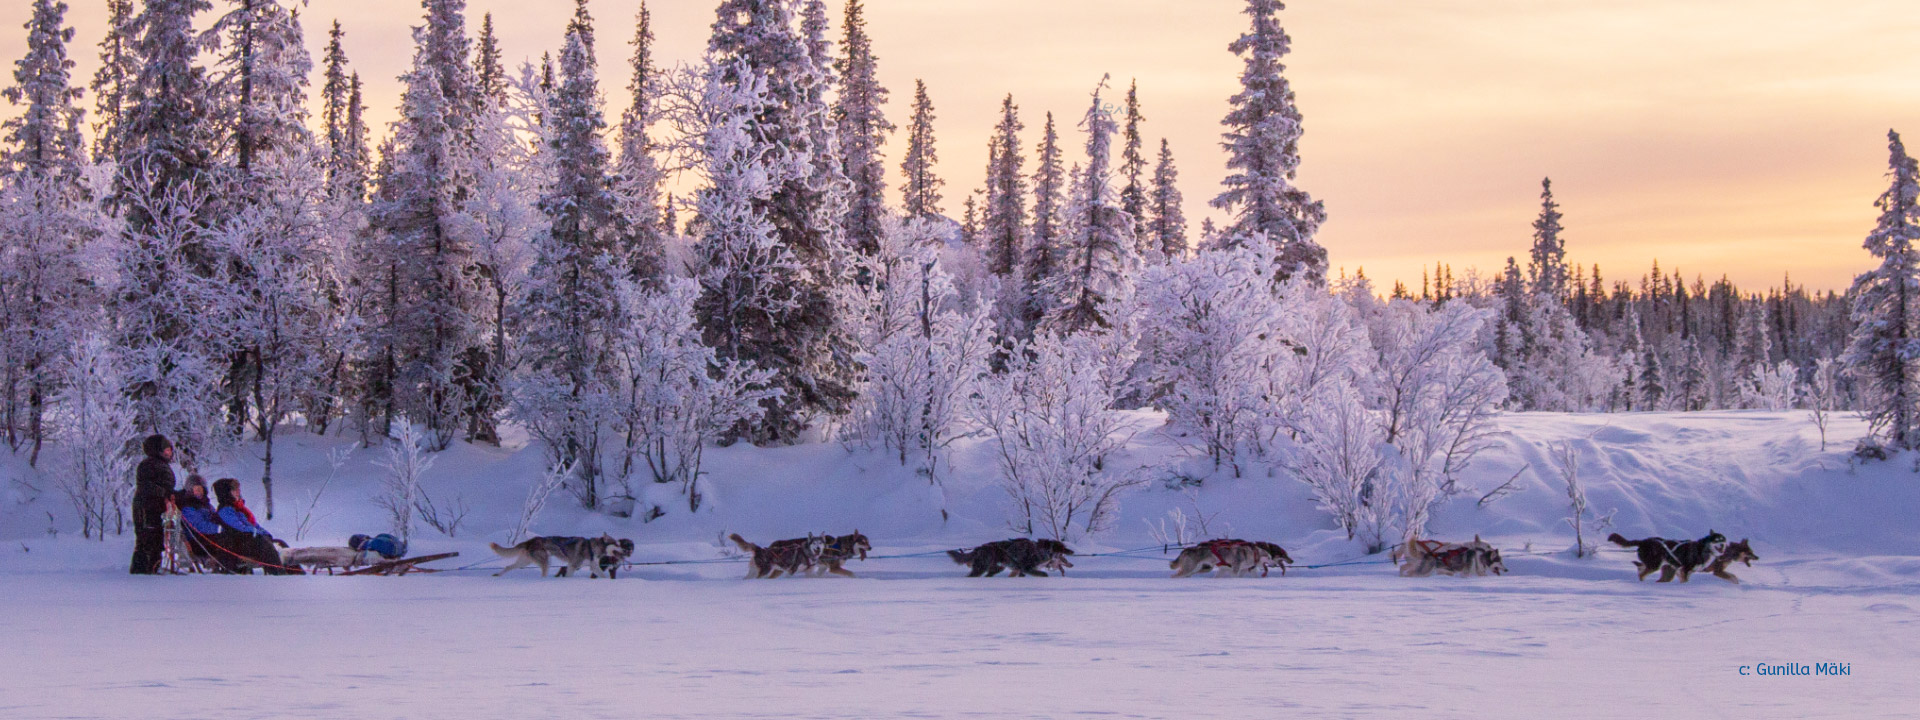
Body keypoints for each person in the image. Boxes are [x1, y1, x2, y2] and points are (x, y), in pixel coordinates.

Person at [211, 478, 300, 575]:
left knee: (280, 543)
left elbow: (253, 525)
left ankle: (296, 572)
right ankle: (278, 573)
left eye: (238, 489)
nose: (238, 492)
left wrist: (263, 532)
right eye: (234, 490)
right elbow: (239, 528)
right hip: (236, 544)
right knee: (264, 545)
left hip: (246, 540)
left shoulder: (238, 508)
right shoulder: (225, 510)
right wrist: (257, 532)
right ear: (226, 493)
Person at [129, 434, 177, 575]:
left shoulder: (161, 465)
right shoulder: (148, 465)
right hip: (146, 507)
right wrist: (165, 493)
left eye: (170, 450)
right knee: (146, 540)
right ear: (158, 450)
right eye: (166, 450)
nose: (170, 453)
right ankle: (142, 572)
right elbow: (146, 486)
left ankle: (152, 568)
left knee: (155, 539)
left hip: (156, 507)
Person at [172, 476, 234, 572]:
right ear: (190, 490)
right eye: (196, 489)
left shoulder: (207, 505)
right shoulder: (188, 507)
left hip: (208, 536)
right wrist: (218, 528)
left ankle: (236, 563)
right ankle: (228, 566)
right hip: (197, 540)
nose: (198, 492)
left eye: (200, 489)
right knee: (225, 539)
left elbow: (216, 517)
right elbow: (199, 525)